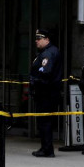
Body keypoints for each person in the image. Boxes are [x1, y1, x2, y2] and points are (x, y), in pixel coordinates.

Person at [28, 28, 63, 157]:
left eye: (39, 39)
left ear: (47, 39)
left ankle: (47, 149)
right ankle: (45, 147)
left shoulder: (48, 53)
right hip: (47, 93)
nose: (36, 41)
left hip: (46, 93)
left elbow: (45, 73)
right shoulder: (48, 52)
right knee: (44, 122)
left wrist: (34, 80)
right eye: (36, 39)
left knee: (45, 122)